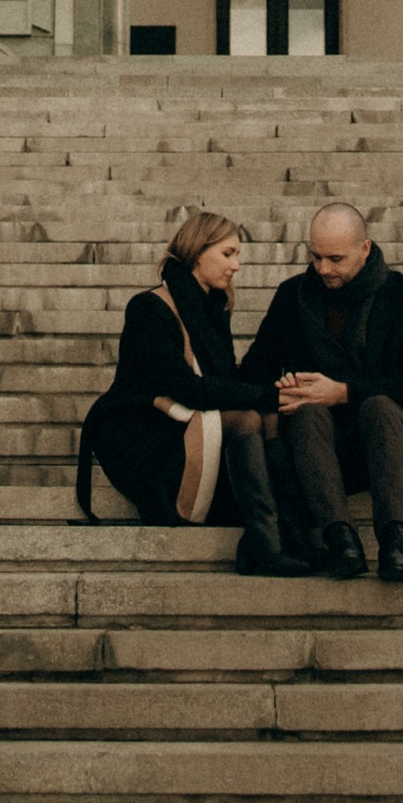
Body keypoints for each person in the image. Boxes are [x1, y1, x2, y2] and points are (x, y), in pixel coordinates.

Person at [75, 209, 305, 574]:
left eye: (238, 254)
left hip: (187, 421)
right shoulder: (149, 308)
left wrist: (276, 393)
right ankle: (265, 541)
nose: (237, 265)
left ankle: (291, 533)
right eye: (228, 253)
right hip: (145, 432)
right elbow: (186, 388)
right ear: (199, 252)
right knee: (248, 417)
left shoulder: (213, 310)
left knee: (269, 416)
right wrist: (264, 396)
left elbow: (225, 383)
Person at [246, 201, 403, 587]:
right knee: (308, 411)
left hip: (390, 441)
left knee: (379, 406)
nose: (323, 269)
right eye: (315, 257)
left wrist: (344, 392)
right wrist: (282, 391)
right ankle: (341, 540)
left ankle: (395, 541)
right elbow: (254, 371)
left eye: (335, 258)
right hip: (318, 449)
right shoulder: (293, 296)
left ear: (365, 248)